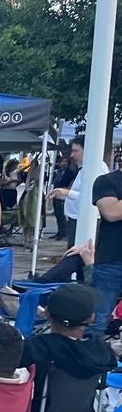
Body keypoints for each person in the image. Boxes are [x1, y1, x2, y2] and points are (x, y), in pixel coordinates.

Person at [49, 136, 108, 249]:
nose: (72, 155)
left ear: (88, 149)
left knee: (78, 255)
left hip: (85, 221)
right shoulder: (85, 168)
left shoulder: (96, 168)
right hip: (78, 219)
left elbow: (91, 196)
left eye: (76, 151)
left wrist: (66, 193)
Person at [90, 161, 122, 337]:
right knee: (97, 320)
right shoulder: (106, 181)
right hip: (112, 260)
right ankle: (91, 358)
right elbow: (111, 213)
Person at [50, 155, 74, 239]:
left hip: (63, 195)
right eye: (62, 161)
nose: (63, 163)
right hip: (56, 195)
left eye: (66, 162)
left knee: (61, 214)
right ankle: (59, 231)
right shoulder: (58, 172)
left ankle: (63, 232)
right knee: (57, 214)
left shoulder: (70, 173)